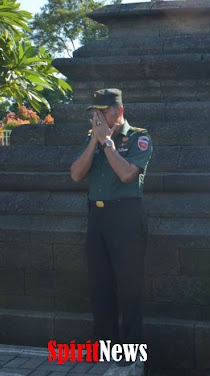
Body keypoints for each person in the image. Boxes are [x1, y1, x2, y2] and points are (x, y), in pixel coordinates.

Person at [70, 89, 153, 358]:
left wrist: (108, 143)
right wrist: (96, 141)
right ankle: (106, 349)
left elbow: (127, 174)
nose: (97, 117)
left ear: (118, 111)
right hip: (97, 217)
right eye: (94, 112)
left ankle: (131, 353)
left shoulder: (139, 137)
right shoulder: (91, 138)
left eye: (102, 112)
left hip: (125, 216)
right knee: (100, 284)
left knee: (129, 286)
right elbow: (76, 174)